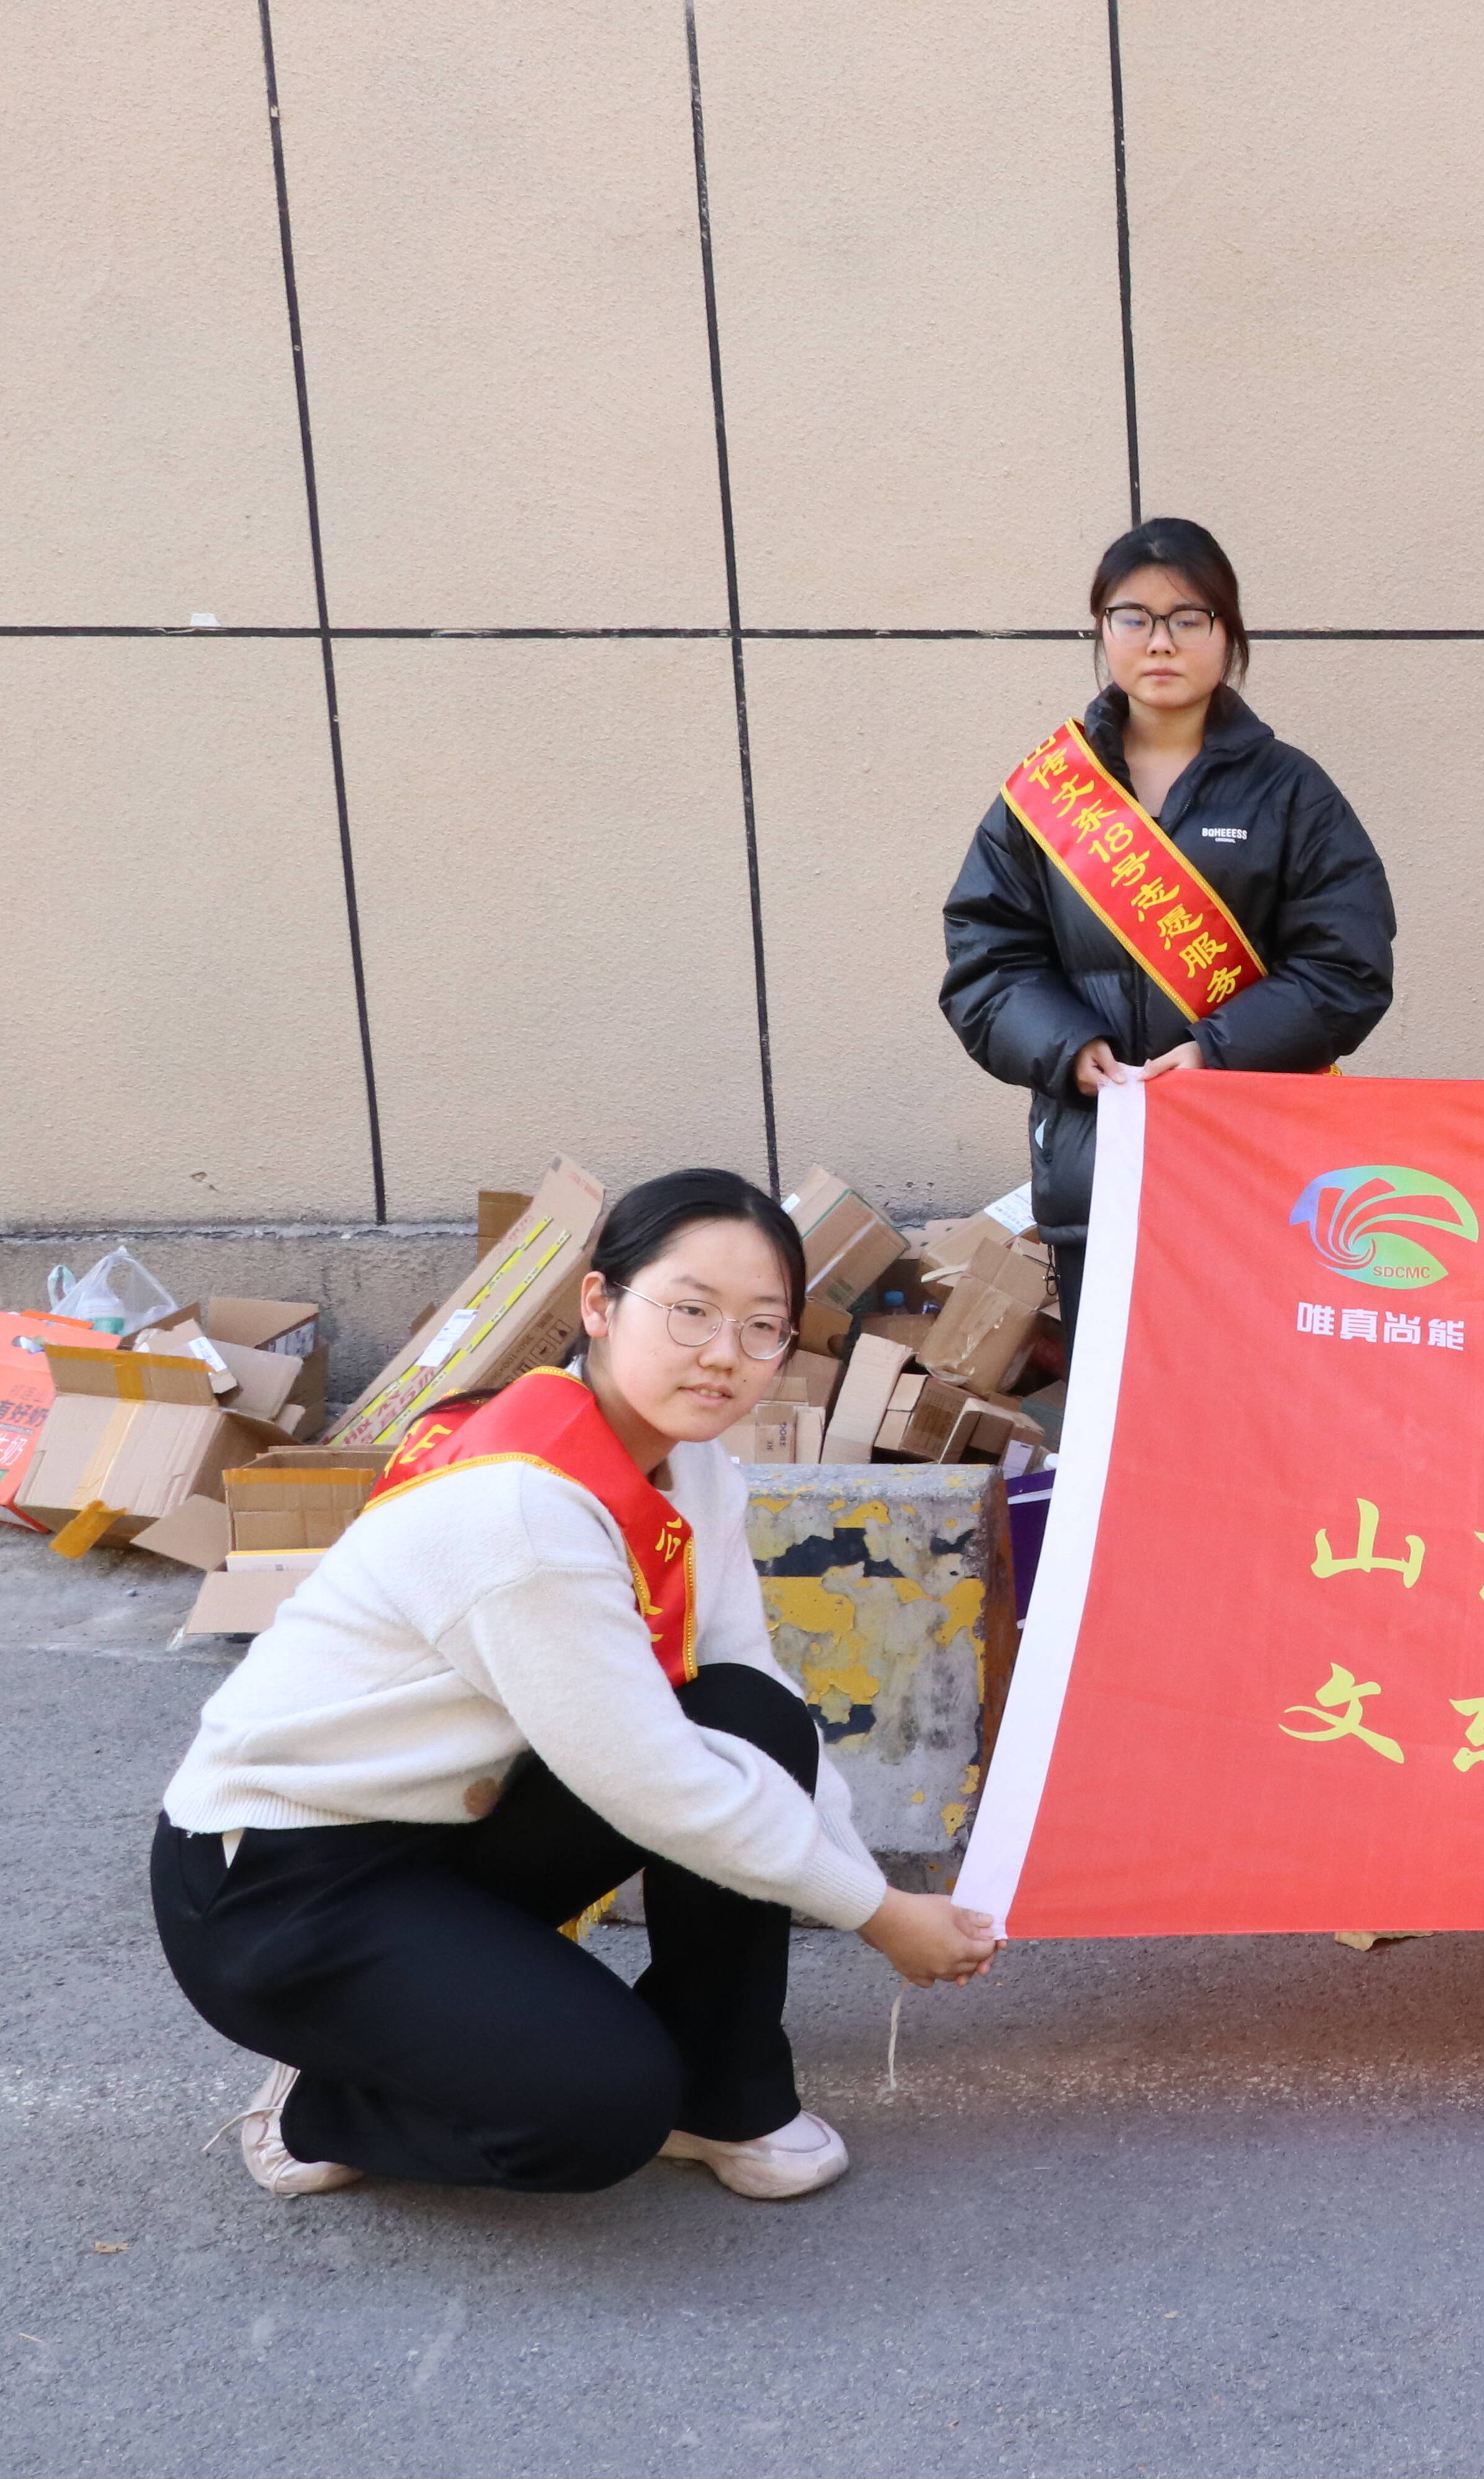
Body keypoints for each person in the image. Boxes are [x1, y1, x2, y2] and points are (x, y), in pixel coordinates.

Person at [151, 1171, 1003, 2199]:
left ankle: (724, 2091)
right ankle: (324, 2099)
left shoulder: (689, 1466)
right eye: (690, 1311)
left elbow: (747, 1690)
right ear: (599, 1304)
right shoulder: (524, 1512)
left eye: (761, 1327)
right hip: (285, 1885)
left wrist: (861, 1872)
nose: (723, 1354)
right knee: (599, 2110)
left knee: (746, 1712)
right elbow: (655, 1784)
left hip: (454, 1821)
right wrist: (878, 1912)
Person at [940, 517, 1397, 1315]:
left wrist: (1217, 1052)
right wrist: (1069, 1048)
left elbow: (1347, 967)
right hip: (1096, 1159)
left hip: (1251, 1161)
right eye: (1134, 618)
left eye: (1189, 618)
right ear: (1102, 630)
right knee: (1112, 1385)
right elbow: (987, 961)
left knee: (1249, 1381)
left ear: (1229, 634)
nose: (1160, 642)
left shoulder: (1292, 792)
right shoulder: (1047, 793)